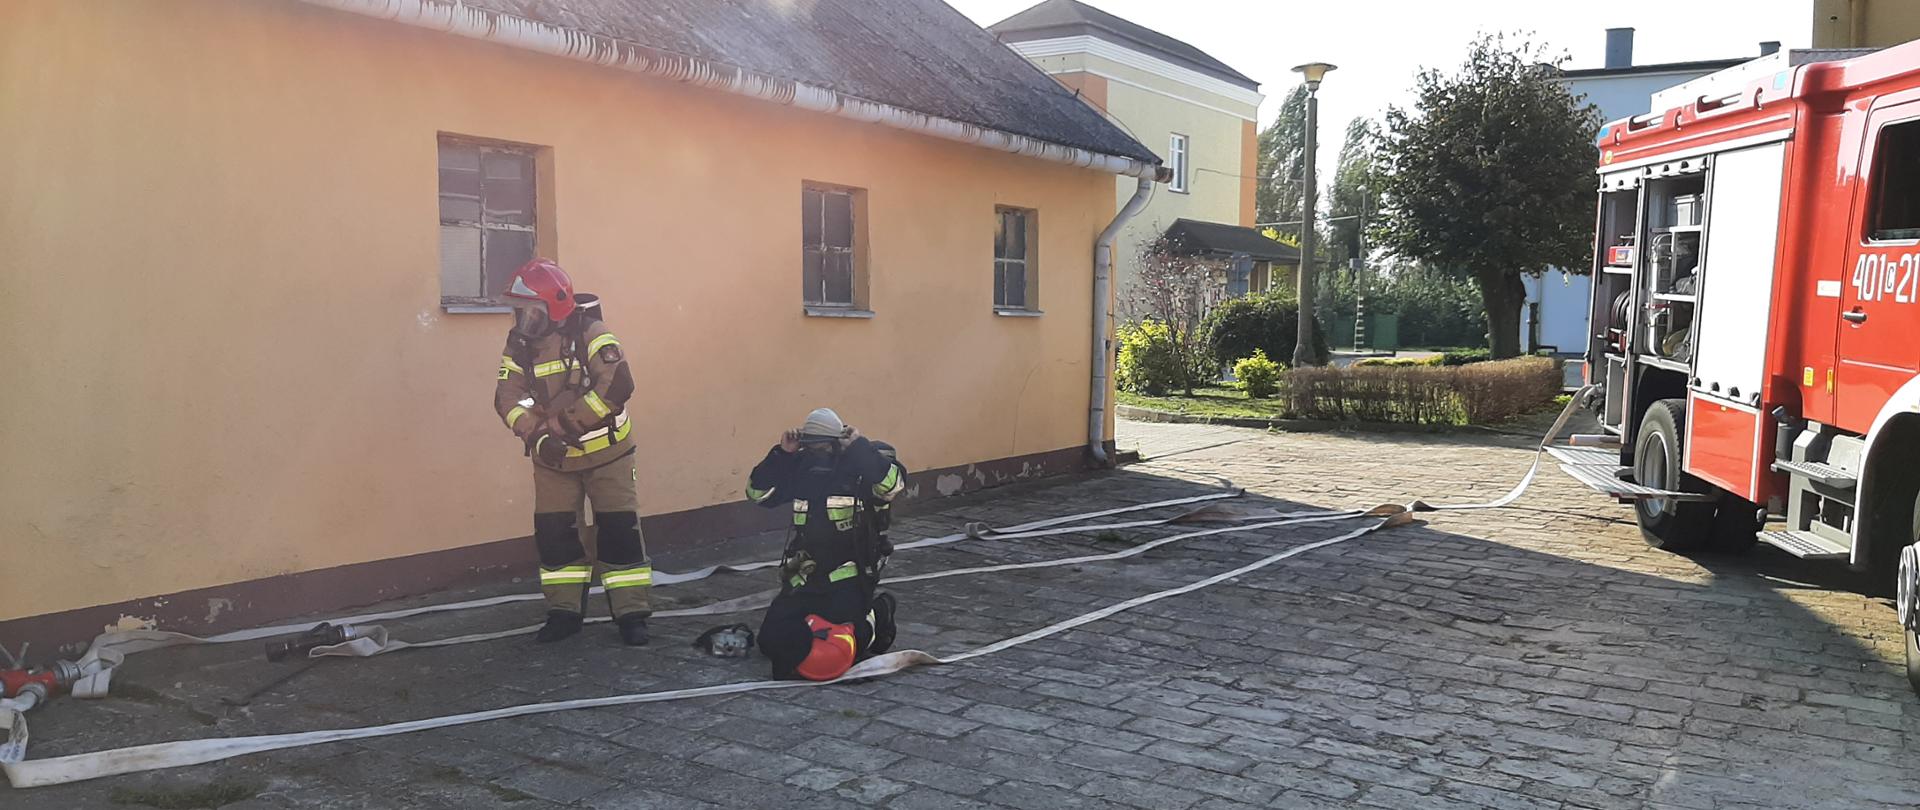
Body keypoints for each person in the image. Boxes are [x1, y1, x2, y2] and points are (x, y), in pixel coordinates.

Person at [494, 258, 652, 645]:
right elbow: (507, 397)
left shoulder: (593, 333)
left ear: (558, 307)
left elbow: (617, 386)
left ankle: (632, 616)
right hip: (554, 460)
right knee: (556, 536)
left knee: (619, 533)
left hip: (608, 456)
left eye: (532, 312)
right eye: (520, 312)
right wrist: (537, 436)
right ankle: (563, 614)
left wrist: (562, 427)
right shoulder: (520, 344)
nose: (524, 321)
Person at [746, 408, 906, 679]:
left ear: (836, 441)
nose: (816, 450)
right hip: (805, 573)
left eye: (822, 444)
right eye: (811, 444)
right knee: (771, 643)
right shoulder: (801, 466)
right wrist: (782, 455)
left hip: (849, 574)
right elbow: (758, 494)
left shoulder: (861, 466)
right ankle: (811, 622)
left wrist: (860, 448)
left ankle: (878, 616)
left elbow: (892, 486)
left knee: (837, 651)